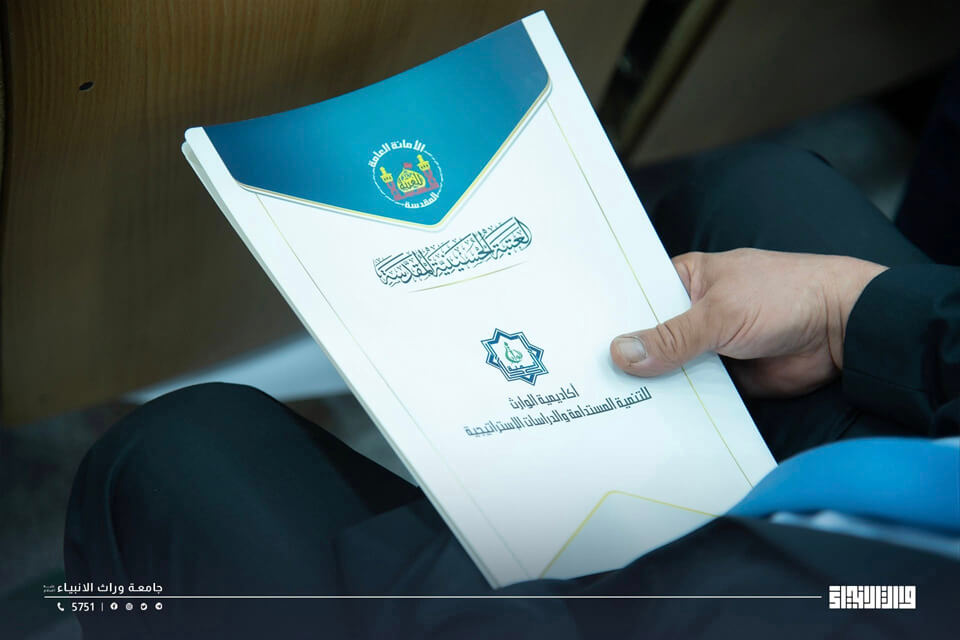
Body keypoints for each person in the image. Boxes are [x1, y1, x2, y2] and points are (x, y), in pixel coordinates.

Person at [64, 141, 959, 639]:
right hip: (913, 517)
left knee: (174, 456)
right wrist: (855, 312)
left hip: (735, 607)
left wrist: (512, 522)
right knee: (757, 187)